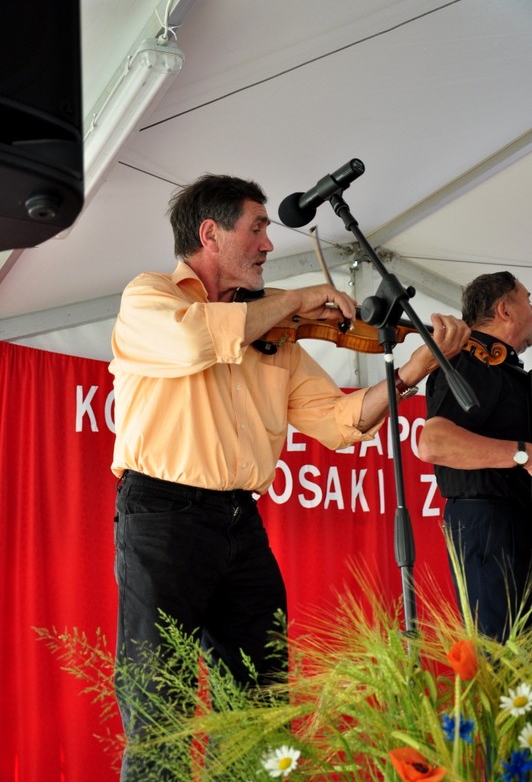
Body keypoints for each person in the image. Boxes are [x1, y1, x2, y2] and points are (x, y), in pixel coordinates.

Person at [110, 173, 468, 778]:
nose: (268, 244)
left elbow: (338, 421)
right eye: (257, 228)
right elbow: (195, 341)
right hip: (163, 514)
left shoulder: (275, 334)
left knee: (260, 702)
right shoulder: (150, 296)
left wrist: (412, 371)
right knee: (159, 703)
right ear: (210, 234)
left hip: (239, 520)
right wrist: (296, 298)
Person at [419, 271, 532, 642]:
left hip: (509, 521)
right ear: (504, 310)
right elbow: (434, 442)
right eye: (528, 300)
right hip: (491, 524)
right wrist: (522, 454)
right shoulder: (473, 361)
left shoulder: (504, 369)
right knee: (502, 654)